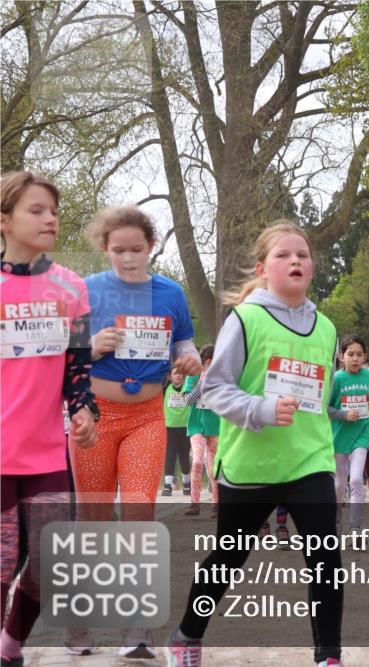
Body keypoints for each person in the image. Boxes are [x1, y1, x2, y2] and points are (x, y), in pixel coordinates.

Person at [166, 221, 345, 667]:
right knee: (229, 555)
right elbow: (213, 389)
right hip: (251, 464)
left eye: (303, 254)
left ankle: (329, 657)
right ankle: (187, 635)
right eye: (284, 255)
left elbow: (322, 398)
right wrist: (261, 411)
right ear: (264, 269)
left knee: (326, 555)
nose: (296, 261)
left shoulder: (327, 328)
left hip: (310, 460)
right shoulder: (245, 319)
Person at [73, 205, 202, 658]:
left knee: (138, 517)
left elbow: (185, 345)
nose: (128, 258)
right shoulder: (86, 291)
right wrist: (91, 345)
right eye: (118, 250)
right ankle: (80, 623)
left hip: (148, 413)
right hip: (95, 413)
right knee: (92, 520)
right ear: (104, 249)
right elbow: (62, 356)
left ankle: (136, 630)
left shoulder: (170, 293)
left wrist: (191, 361)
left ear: (151, 247)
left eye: (137, 249)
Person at [1, 171, 98, 667]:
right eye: (36, 210)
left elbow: (77, 369)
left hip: (46, 456)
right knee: (0, 564)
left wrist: (81, 410)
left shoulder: (71, 287)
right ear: (4, 220)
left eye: (54, 210)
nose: (50, 218)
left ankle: (11, 644)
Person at [329, 335, 369, 537]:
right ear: (341, 356)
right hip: (339, 436)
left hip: (361, 434)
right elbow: (325, 407)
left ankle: (355, 528)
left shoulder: (368, 376)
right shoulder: (336, 378)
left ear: (365, 357)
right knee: (339, 484)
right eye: (350, 354)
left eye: (359, 355)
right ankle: (335, 525)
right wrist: (343, 415)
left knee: (358, 479)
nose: (355, 358)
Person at [180, 345, 221, 517]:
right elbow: (187, 401)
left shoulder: (221, 377)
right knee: (197, 462)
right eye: (207, 362)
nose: (210, 365)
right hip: (197, 425)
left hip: (215, 425)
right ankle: (194, 503)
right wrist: (201, 382)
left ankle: (217, 504)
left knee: (213, 468)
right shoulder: (193, 376)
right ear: (202, 362)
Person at [162, 366, 192, 496]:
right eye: (175, 373)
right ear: (170, 376)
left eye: (181, 374)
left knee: (184, 456)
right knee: (170, 456)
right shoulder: (165, 388)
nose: (178, 376)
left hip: (185, 427)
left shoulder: (188, 388)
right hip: (170, 427)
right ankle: (168, 484)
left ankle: (187, 483)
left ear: (184, 376)